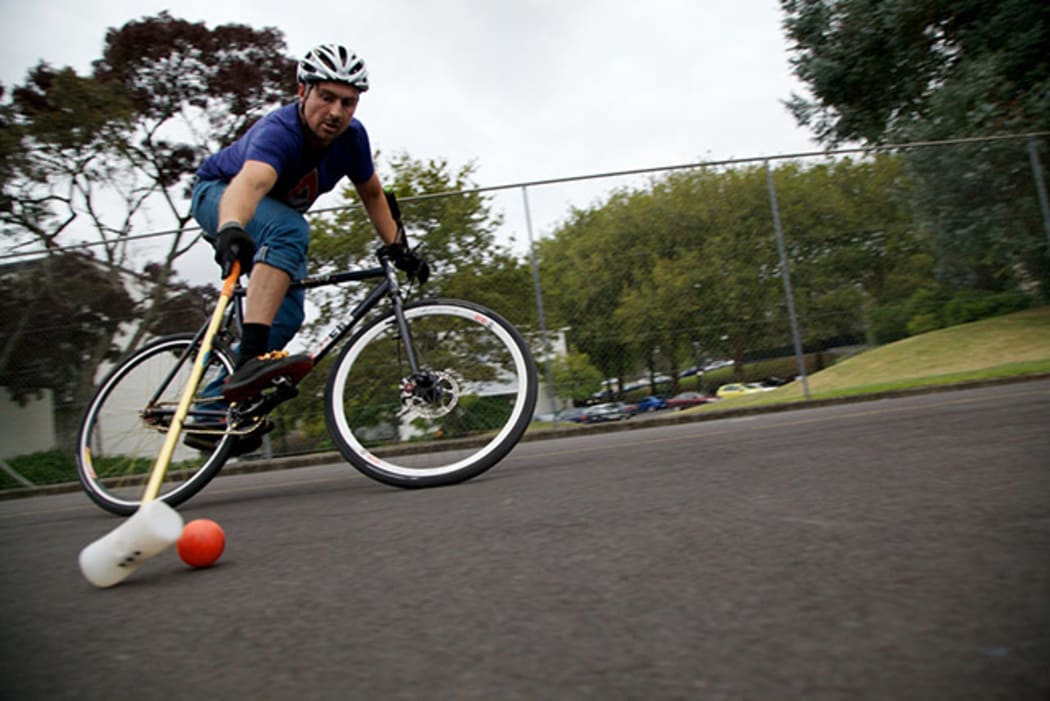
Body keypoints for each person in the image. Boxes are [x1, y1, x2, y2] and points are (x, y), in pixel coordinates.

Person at [188, 43, 428, 451]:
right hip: (220, 195)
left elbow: (373, 194)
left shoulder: (352, 139)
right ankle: (246, 365)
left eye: (348, 102)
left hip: (270, 216)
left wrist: (400, 248)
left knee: (286, 316)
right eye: (326, 97)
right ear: (303, 93)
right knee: (291, 229)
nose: (336, 112)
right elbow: (251, 184)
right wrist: (230, 228)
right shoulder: (279, 132)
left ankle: (214, 409)